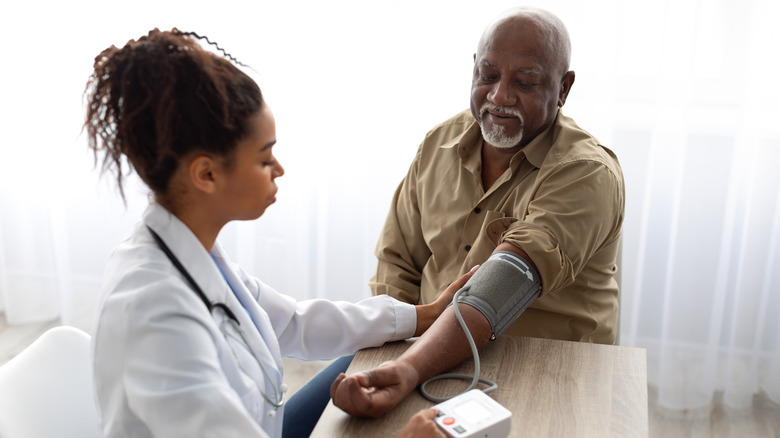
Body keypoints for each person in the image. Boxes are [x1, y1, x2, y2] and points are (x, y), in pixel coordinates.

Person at [84, 28, 476, 438]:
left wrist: (424, 315)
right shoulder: (154, 314)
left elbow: (293, 323)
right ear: (207, 173)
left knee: (366, 362)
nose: (280, 169)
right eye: (264, 157)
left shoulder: (194, 253)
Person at [330, 6, 625, 420]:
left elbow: (504, 283)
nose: (499, 95)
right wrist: (391, 350)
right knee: (299, 424)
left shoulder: (586, 172)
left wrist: (408, 368)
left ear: (563, 89)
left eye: (524, 81)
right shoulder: (440, 142)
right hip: (417, 347)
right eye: (487, 75)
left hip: (543, 370)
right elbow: (397, 262)